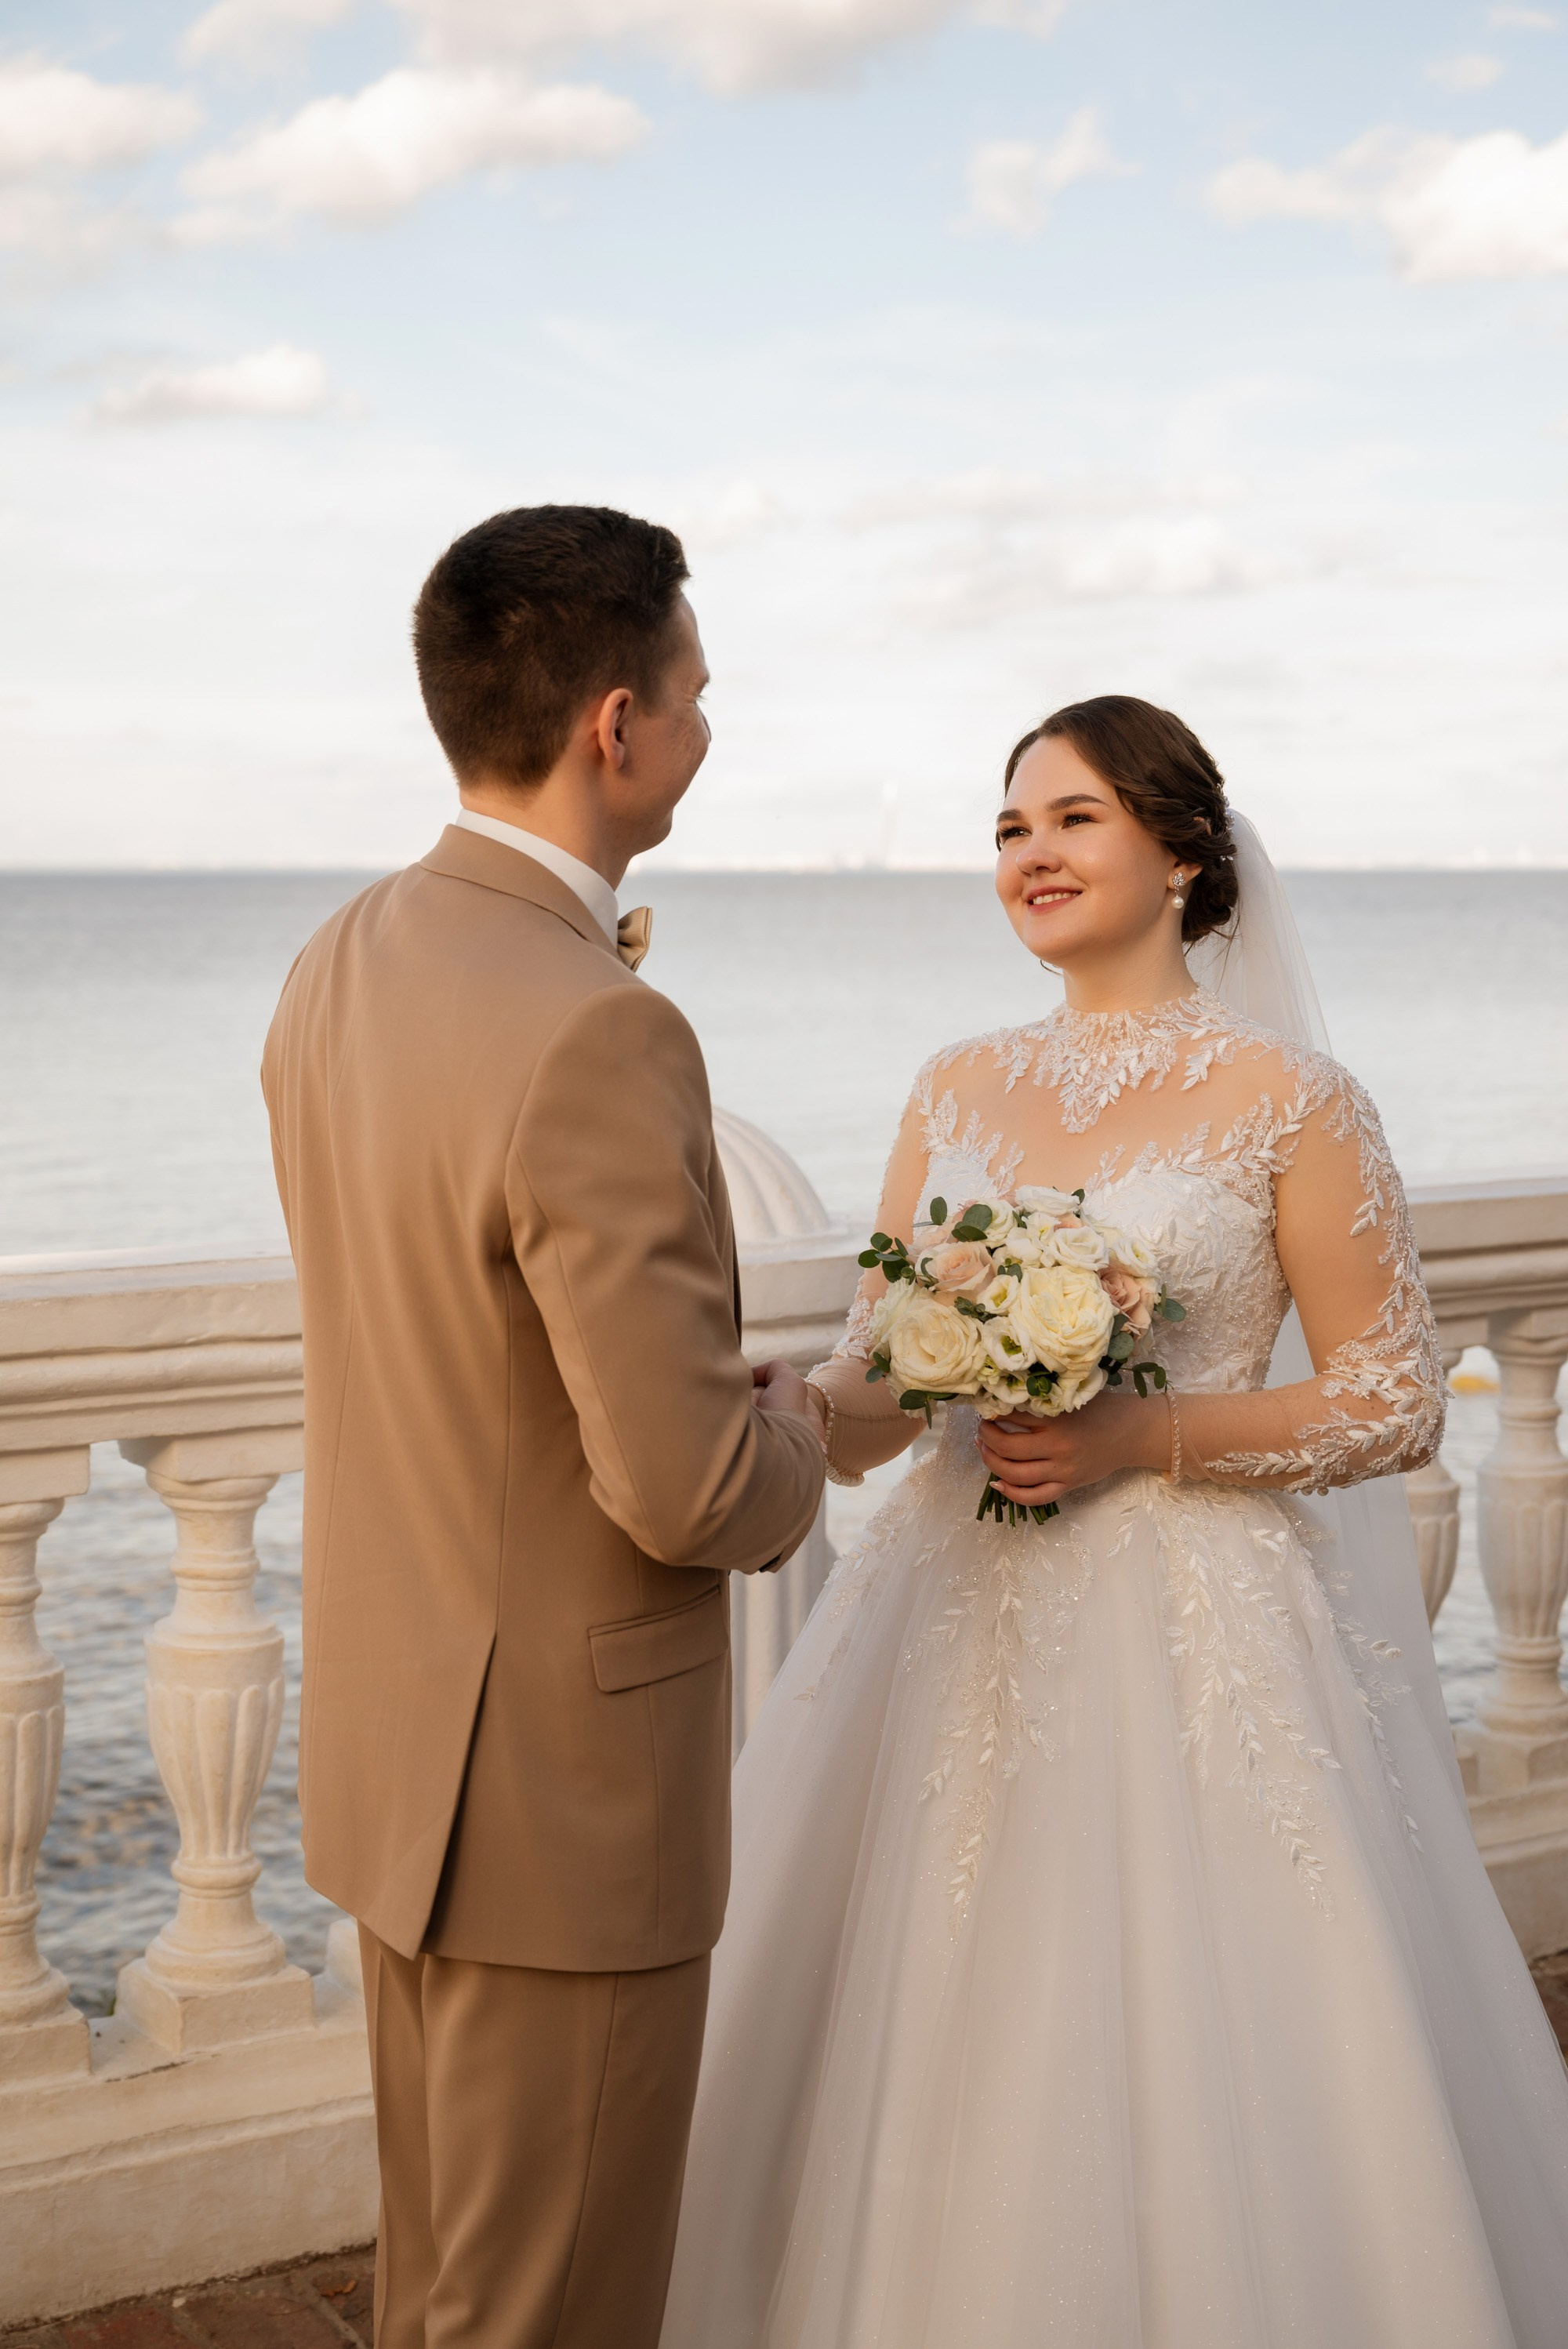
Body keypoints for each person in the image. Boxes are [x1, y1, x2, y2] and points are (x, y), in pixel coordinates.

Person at [660, 695, 1568, 2348]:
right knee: (932, 2006)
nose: (1031, 855)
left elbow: (1391, 1399)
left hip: (1198, 1627)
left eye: (1071, 819)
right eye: (1009, 830)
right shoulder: (956, 1086)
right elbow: (881, 1400)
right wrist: (783, 1398)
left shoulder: (1293, 1098)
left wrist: (1133, 1433)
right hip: (948, 1622)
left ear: (1182, 851)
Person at [261, 505, 825, 2349]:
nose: (706, 725)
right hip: (565, 1812)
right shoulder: (600, 1026)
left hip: (394, 1759)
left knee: (443, 2293)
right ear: (615, 720)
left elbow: (447, 1340)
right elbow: (685, 1490)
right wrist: (819, 1426)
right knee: (555, 2314)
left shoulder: (337, 958)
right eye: (696, 688)